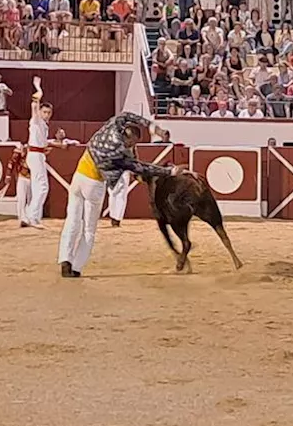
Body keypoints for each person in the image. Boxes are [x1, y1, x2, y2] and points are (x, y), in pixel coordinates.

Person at [57, 112, 178, 278]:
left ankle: (65, 260)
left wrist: (152, 126)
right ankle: (76, 267)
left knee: (72, 220)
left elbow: (127, 114)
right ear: (130, 140)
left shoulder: (112, 126)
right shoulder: (120, 153)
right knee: (89, 230)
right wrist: (169, 171)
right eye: (133, 143)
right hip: (94, 184)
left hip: (78, 177)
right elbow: (141, 167)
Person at [23, 77, 54, 228]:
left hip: (37, 154)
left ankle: (29, 216)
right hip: (35, 155)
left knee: (37, 186)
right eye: (45, 112)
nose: (47, 115)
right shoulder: (36, 121)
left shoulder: (42, 124)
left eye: (49, 112)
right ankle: (33, 217)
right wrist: (38, 88)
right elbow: (34, 105)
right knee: (43, 187)